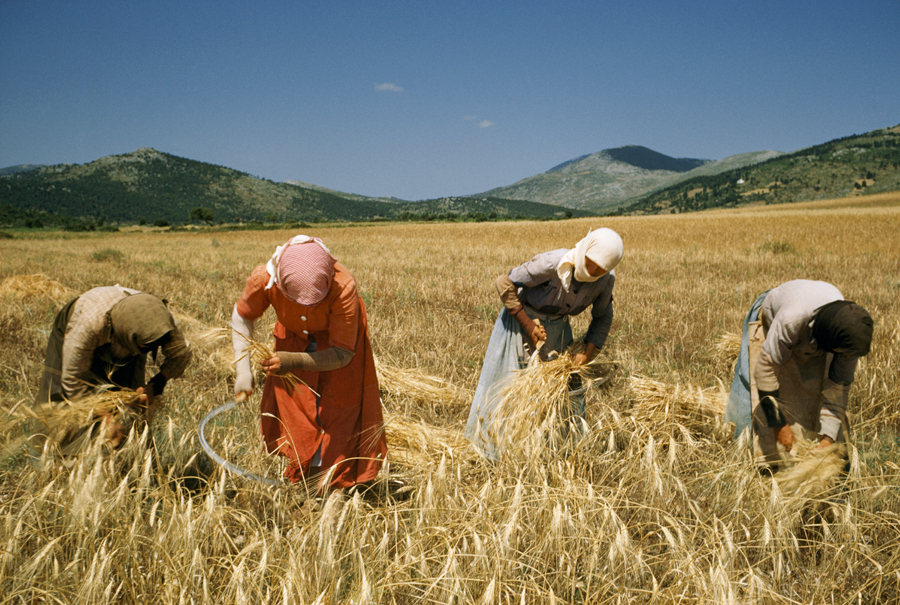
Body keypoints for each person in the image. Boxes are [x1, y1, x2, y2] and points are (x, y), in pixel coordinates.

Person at [230, 235, 387, 491]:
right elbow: (242, 316)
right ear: (280, 282)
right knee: (297, 414)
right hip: (292, 339)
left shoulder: (343, 286)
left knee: (339, 413)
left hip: (339, 345)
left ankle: (335, 487)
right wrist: (243, 372)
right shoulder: (265, 279)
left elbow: (342, 353)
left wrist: (293, 361)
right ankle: (308, 481)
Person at [464, 227, 624, 459]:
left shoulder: (604, 281)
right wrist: (529, 325)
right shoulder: (552, 263)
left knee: (568, 392)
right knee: (506, 388)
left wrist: (587, 355)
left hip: (557, 331)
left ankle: (562, 454)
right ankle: (491, 454)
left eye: (601, 269)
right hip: (520, 322)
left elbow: (603, 317)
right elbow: (504, 283)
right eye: (590, 262)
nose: (592, 271)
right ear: (585, 250)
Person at [724, 279, 874, 466]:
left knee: (814, 397)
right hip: (771, 319)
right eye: (843, 353)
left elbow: (838, 387)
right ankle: (741, 459)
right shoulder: (792, 319)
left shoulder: (848, 335)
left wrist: (827, 438)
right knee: (752, 395)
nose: (847, 357)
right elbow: (764, 371)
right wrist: (779, 426)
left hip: (815, 333)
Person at [34, 285, 193, 452]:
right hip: (81, 329)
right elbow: (73, 380)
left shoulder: (163, 323)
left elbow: (181, 355)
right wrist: (105, 417)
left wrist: (157, 383)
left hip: (133, 337)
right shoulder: (88, 324)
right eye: (146, 346)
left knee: (128, 400)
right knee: (60, 403)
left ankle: (121, 457)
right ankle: (50, 457)